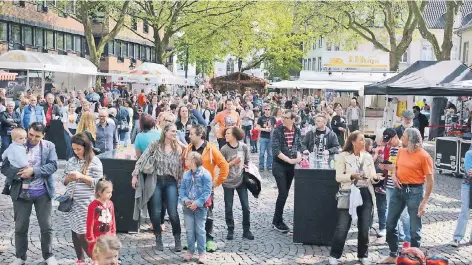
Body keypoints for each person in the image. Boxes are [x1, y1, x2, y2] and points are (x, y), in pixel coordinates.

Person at [2, 122, 58, 265]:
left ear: (43, 135)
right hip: (21, 192)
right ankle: (20, 257)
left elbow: (53, 165)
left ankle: (48, 255)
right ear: (28, 131)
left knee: (46, 226)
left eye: (37, 136)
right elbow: (4, 167)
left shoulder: (49, 146)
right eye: (30, 134)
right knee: (20, 227)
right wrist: (19, 175)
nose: (32, 138)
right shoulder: (17, 143)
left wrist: (34, 171)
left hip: (42, 192)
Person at [379, 128, 434, 264]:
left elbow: (430, 181)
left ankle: (414, 259)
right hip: (398, 190)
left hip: (415, 192)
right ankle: (393, 254)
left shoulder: (424, 156)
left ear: (410, 139)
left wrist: (425, 201)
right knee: (390, 223)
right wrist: (394, 176)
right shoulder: (401, 151)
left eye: (403, 135)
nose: (401, 137)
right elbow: (395, 167)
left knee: (415, 229)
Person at [328, 131, 381, 265]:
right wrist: (352, 176)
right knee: (343, 226)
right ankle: (334, 255)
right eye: (361, 140)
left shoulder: (368, 157)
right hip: (348, 192)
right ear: (353, 141)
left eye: (364, 140)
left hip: (365, 192)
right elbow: (338, 177)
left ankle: (363, 255)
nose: (364, 142)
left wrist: (376, 178)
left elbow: (373, 175)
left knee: (364, 227)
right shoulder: (343, 156)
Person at [131, 124, 184, 252]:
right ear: (165, 132)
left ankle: (177, 239)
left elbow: (181, 169)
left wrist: (180, 187)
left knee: (173, 212)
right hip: (156, 181)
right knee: (155, 212)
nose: (174, 133)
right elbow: (141, 159)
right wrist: (135, 175)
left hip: (171, 181)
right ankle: (158, 238)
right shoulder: (155, 144)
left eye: (176, 131)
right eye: (172, 131)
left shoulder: (178, 148)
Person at [186, 124, 229, 252]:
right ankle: (191, 240)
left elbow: (224, 166)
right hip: (191, 189)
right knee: (191, 214)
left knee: (208, 214)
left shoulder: (211, 149)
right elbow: (185, 164)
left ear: (200, 135)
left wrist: (216, 183)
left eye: (192, 134)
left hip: (205, 189)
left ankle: (209, 240)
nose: (189, 136)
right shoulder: (189, 148)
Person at [62, 133, 103, 264]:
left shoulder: (95, 161)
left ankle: (95, 259)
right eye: (73, 149)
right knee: (74, 230)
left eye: (78, 149)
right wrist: (68, 178)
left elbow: (99, 183)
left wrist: (81, 176)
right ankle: (80, 259)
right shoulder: (71, 161)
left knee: (82, 232)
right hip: (72, 201)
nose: (76, 151)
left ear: (86, 147)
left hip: (87, 203)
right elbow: (64, 181)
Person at [271, 110, 302, 232]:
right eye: (282, 117)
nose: (283, 119)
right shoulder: (278, 130)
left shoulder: (297, 130)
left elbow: (298, 145)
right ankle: (278, 221)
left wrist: (298, 156)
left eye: (286, 117)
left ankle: (276, 219)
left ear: (293, 120)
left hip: (291, 166)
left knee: (284, 194)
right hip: (279, 165)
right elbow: (275, 150)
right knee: (283, 193)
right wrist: (289, 160)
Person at [220, 127, 253, 240]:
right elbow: (221, 166)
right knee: (228, 207)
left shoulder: (243, 147)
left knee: (246, 206)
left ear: (234, 135)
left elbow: (248, 161)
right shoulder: (224, 149)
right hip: (228, 182)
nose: (226, 136)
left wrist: (247, 168)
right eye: (225, 133)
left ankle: (246, 230)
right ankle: (230, 229)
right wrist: (232, 162)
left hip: (241, 180)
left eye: (228, 133)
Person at [180, 151, 213, 264]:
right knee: (189, 230)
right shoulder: (186, 174)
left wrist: (197, 203)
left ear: (194, 160)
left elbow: (207, 191)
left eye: (187, 159)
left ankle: (202, 253)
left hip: (200, 208)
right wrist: (185, 200)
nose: (186, 160)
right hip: (187, 207)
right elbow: (182, 189)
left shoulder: (206, 174)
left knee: (200, 230)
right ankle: (190, 250)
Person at [378, 128, 410, 243]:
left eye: (390, 140)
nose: (388, 143)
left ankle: (408, 238)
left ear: (396, 137)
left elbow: (406, 167)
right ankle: (399, 235)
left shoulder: (404, 148)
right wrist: (385, 167)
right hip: (390, 184)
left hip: (402, 184)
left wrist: (393, 168)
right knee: (392, 212)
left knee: (404, 214)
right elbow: (391, 164)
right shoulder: (390, 148)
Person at [86, 179, 116, 259]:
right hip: (97, 238)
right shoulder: (93, 206)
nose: (110, 194)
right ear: (100, 193)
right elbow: (90, 223)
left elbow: (112, 219)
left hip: (108, 237)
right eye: (108, 192)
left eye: (111, 192)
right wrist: (90, 237)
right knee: (98, 259)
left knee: (107, 258)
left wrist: (113, 233)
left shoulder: (110, 204)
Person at [451, 145, 472, 247]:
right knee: (465, 211)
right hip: (467, 186)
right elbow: (469, 172)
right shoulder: (469, 154)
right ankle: (457, 237)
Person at [1, 128, 29, 198]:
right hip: (20, 167)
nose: (24, 140)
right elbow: (20, 159)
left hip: (12, 166)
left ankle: (6, 187)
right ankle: (24, 191)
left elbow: (5, 153)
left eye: (25, 138)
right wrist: (26, 165)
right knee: (27, 177)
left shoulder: (11, 145)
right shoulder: (18, 148)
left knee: (10, 176)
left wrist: (3, 157)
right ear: (14, 139)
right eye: (21, 138)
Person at [256, 104, 276, 172]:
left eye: (268, 109)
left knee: (270, 153)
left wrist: (272, 129)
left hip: (271, 138)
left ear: (270, 110)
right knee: (261, 153)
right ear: (264, 110)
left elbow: (275, 127)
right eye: (266, 109)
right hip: (263, 137)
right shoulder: (261, 118)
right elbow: (257, 128)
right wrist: (265, 129)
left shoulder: (273, 118)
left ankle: (269, 166)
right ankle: (261, 166)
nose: (267, 111)